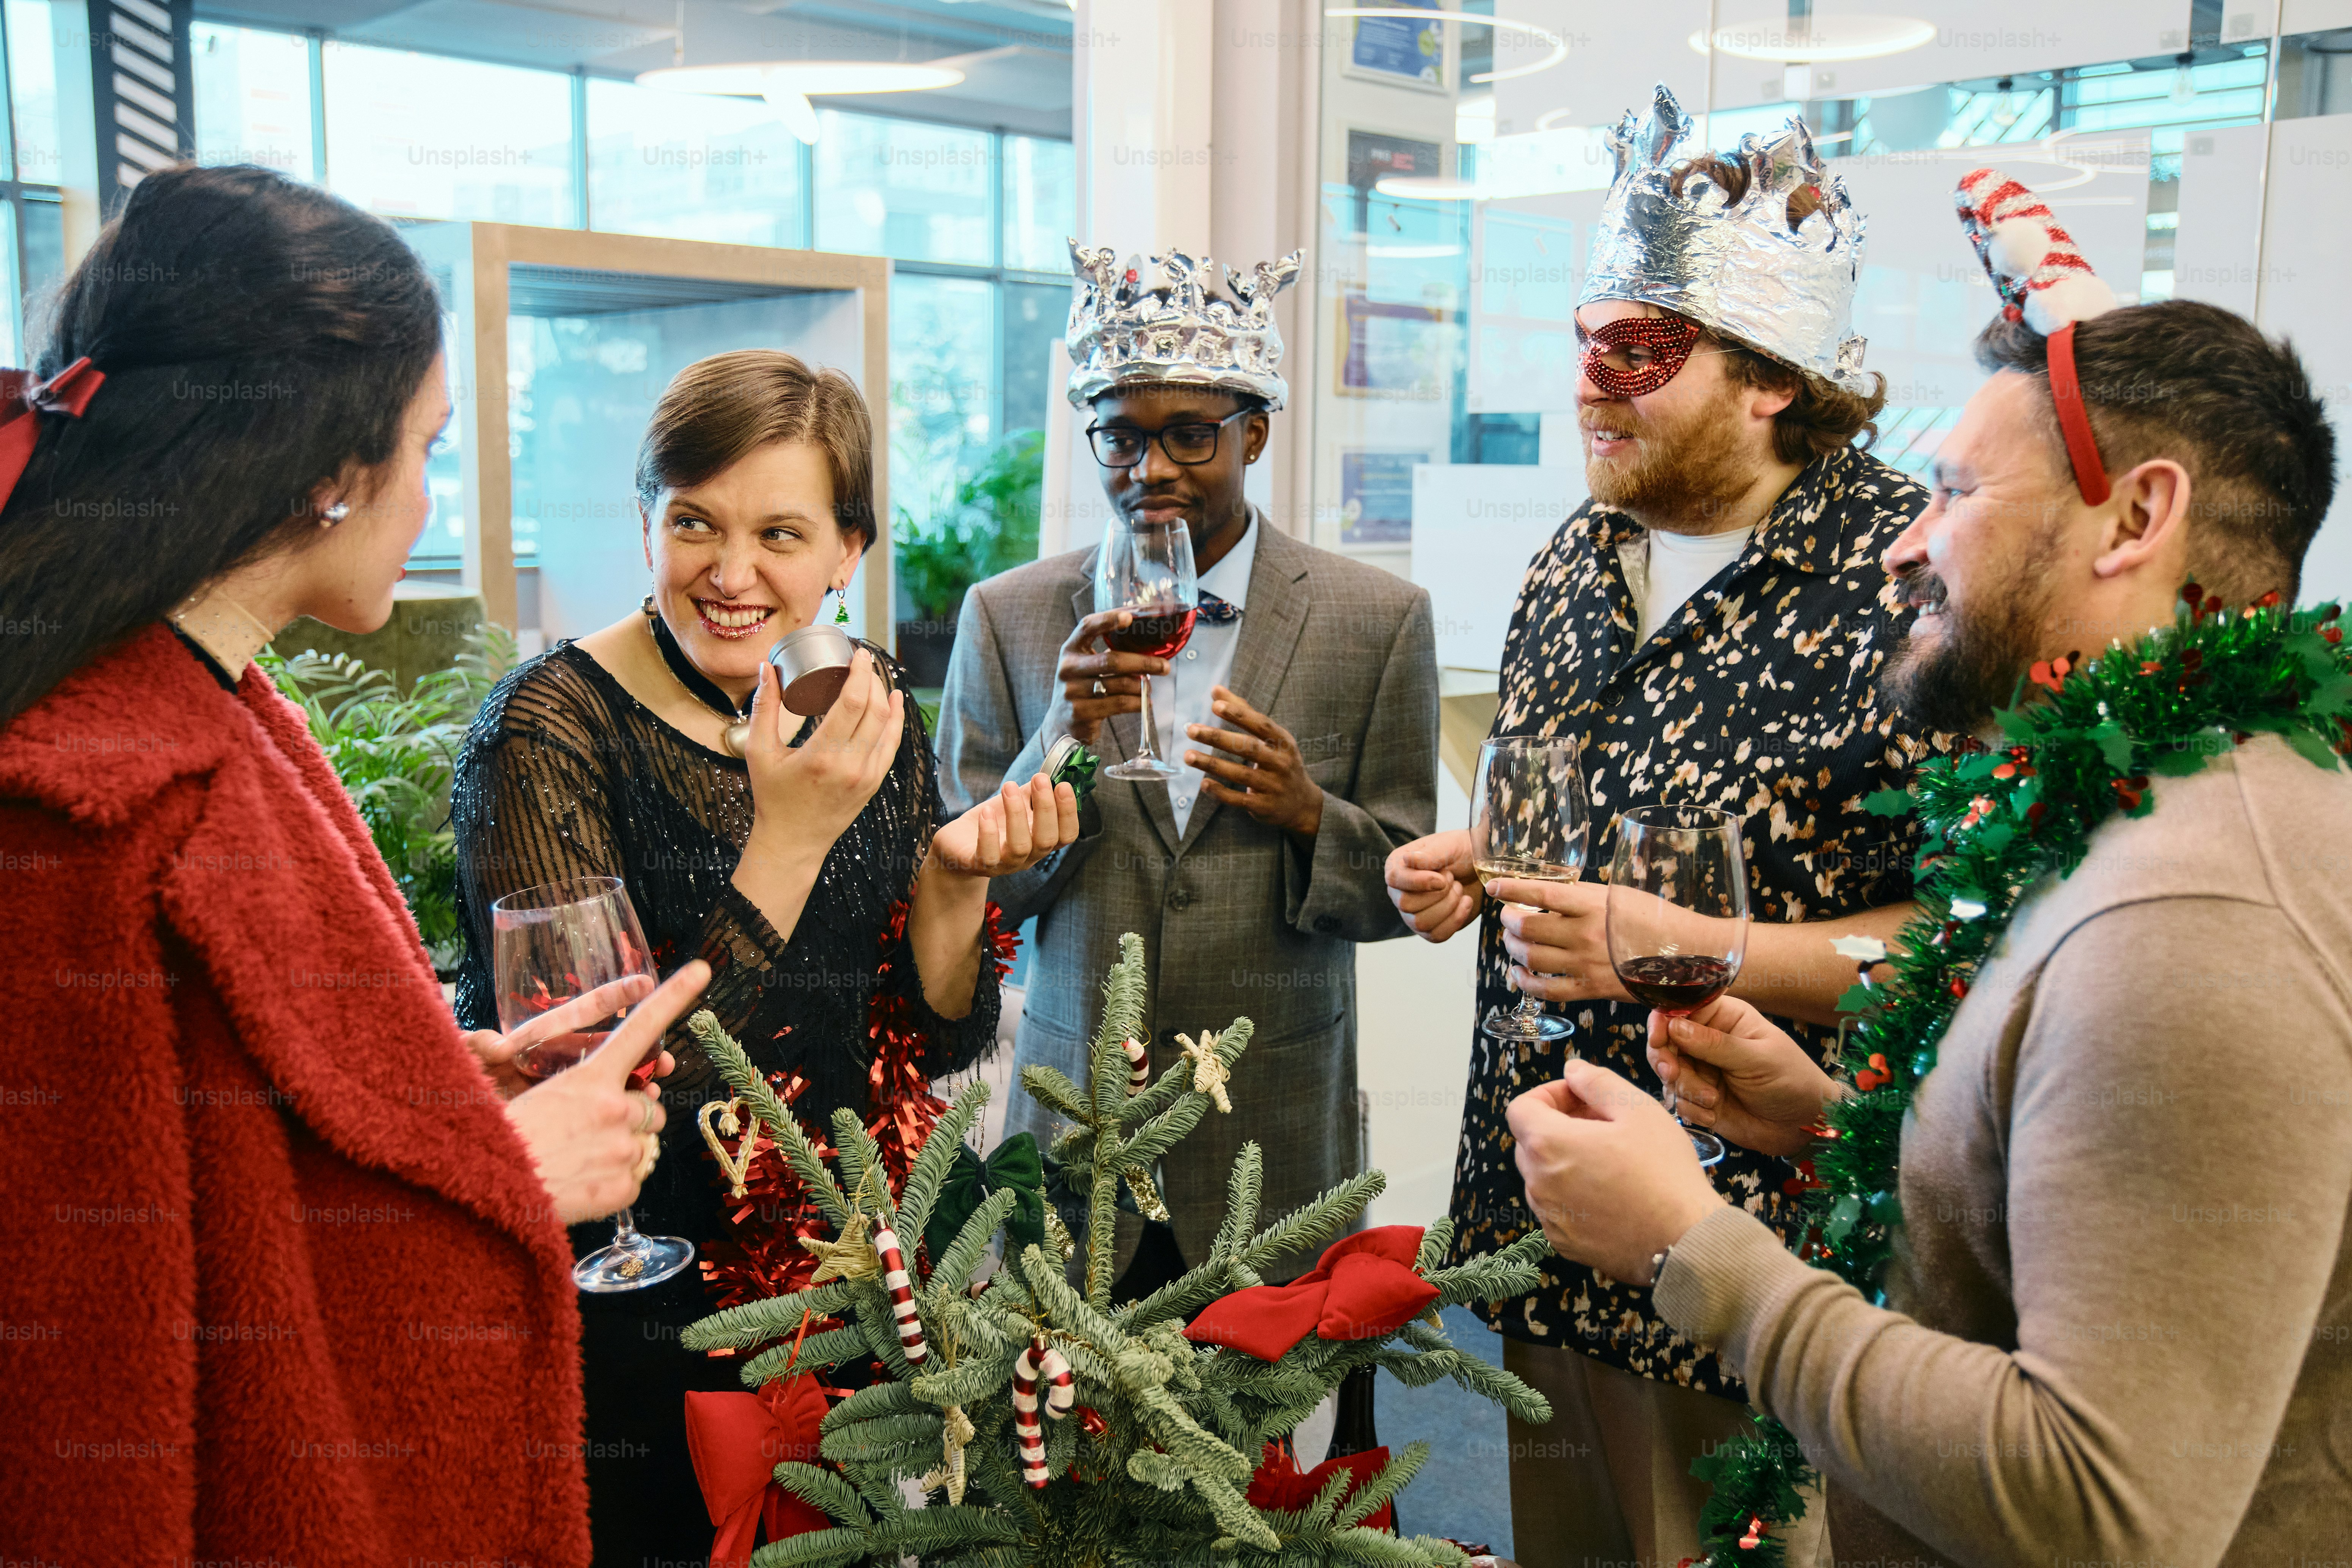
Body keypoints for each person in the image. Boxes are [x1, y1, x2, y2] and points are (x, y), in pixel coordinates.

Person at [1507, 172, 2349, 1565]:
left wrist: (1690, 1248)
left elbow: (2098, 1508)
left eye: (1956, 490)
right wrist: (1838, 1128)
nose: (1904, 537)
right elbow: (2079, 1223)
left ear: (2137, 522)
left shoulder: (2196, 915)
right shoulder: (2144, 807)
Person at [0, 164, 702, 1568]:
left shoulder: (222, 710)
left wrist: (443, 1100)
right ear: (328, 471)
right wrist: (507, 1175)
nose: (432, 496)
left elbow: (247, 1148)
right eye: (429, 444)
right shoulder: (81, 809)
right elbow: (91, 1363)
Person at [1383, 87, 1953, 1565]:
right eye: (1580, 341)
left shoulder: (1905, 579)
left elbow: (1968, 936)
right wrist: (1476, 868)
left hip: (1749, 1248)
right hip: (1533, 1200)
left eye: (1633, 352)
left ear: (1767, 376)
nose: (1588, 385)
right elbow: (1538, 811)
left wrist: (1694, 943)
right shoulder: (1576, 556)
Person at [448, 347, 1077, 1568]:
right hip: (635, 1291)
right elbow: (601, 1084)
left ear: (850, 553)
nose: (732, 576)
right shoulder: (544, 732)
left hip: (843, 1271)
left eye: (781, 535)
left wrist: (956, 886)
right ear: (646, 525)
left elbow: (929, 1033)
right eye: (694, 523)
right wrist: (787, 838)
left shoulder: (866, 702)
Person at [937, 244, 1438, 1297]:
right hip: (1079, 1130)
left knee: (1263, 1455)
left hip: (1275, 1124)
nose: (1149, 470)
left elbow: (1406, 889)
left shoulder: (1378, 620)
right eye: (1119, 437)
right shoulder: (1011, 616)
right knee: (1059, 1449)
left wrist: (1309, 815)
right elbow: (965, 893)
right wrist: (1061, 742)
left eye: (1189, 436)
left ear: (1254, 431)